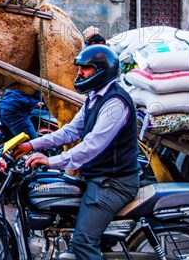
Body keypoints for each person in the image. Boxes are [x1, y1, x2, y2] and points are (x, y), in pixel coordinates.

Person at [15, 45, 139, 260]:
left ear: (103, 70)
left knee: (83, 242)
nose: (79, 73)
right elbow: (71, 131)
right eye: (79, 68)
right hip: (98, 178)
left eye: (86, 68)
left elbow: (91, 145)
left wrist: (51, 161)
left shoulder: (115, 102)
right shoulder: (95, 97)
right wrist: (33, 145)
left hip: (113, 183)